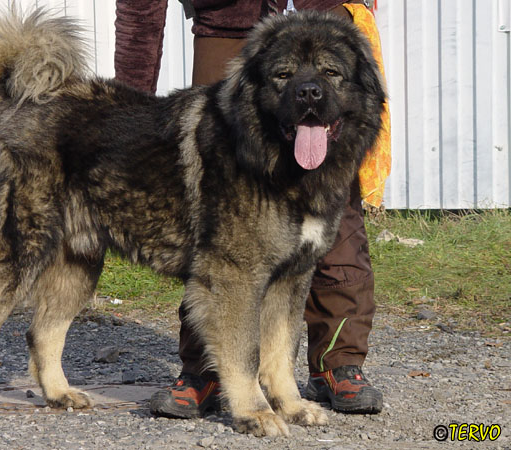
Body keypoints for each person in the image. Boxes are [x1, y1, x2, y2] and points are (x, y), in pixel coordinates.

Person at [114, 0, 391, 418]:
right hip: (227, 21)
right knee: (221, 235)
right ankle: (206, 372)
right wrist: (130, 97)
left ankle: (337, 363)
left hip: (327, 14)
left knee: (337, 223)